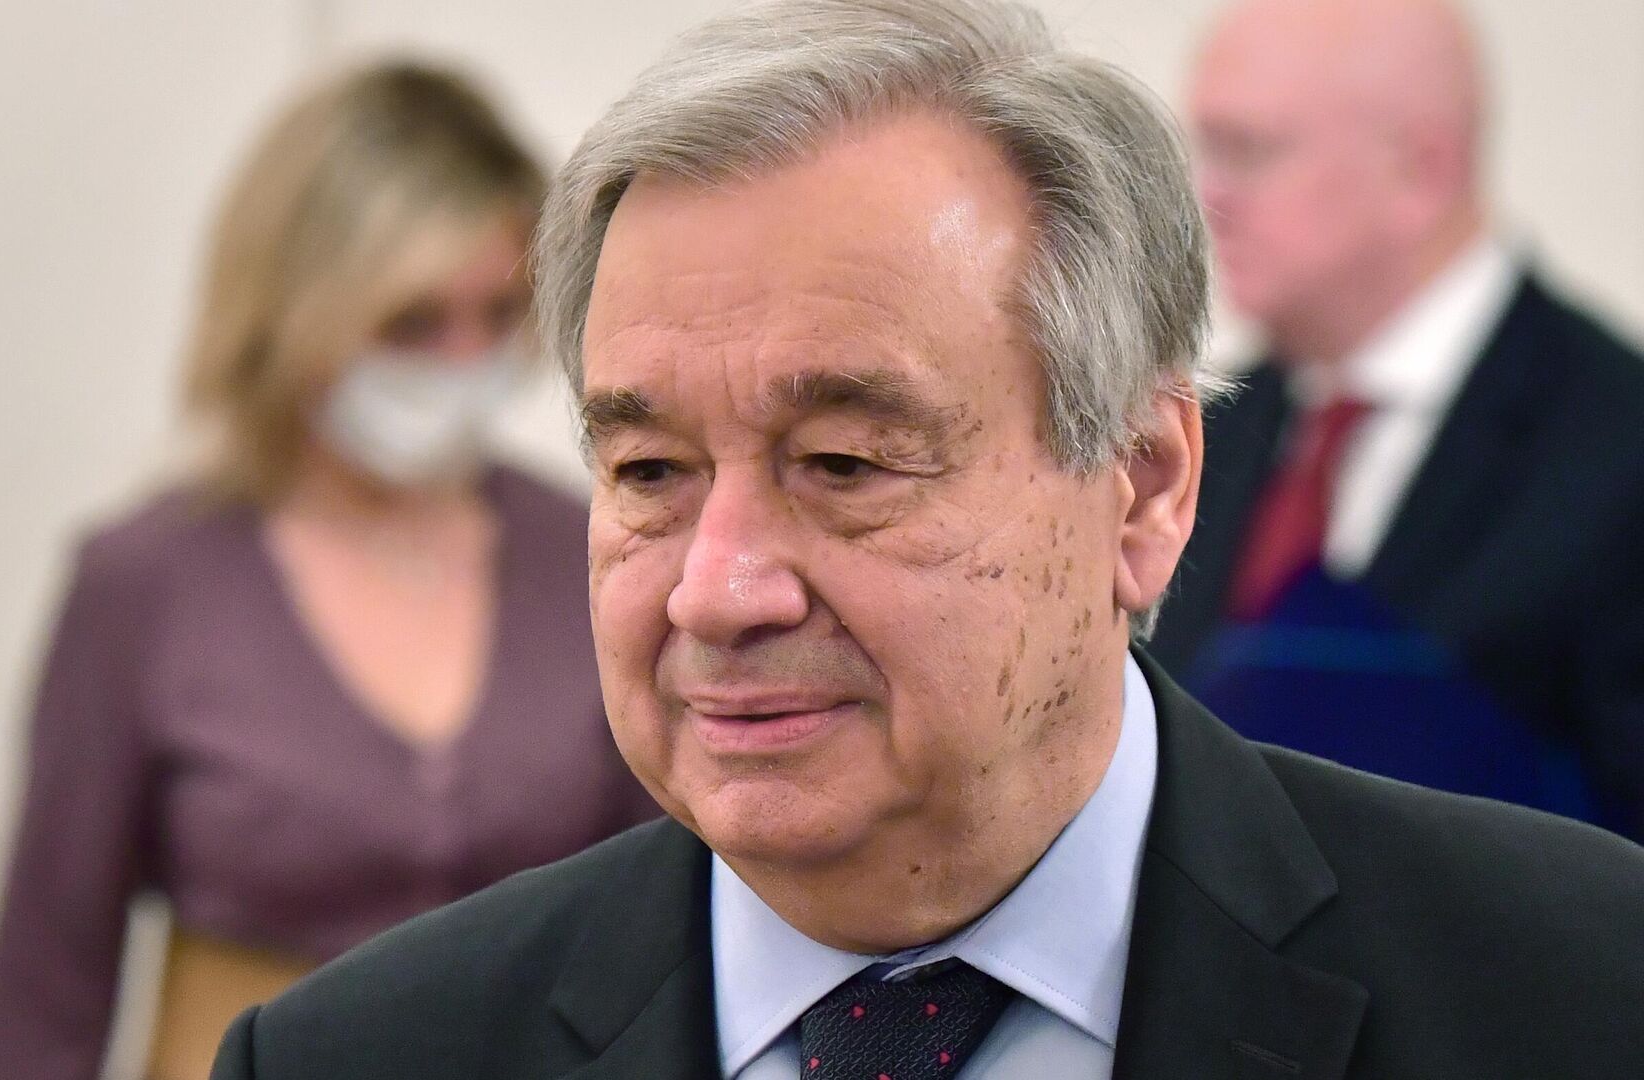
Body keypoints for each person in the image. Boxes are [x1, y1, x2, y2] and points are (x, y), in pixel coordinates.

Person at [210, 2, 1644, 1078]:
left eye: (843, 464)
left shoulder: (1578, 990)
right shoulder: (360, 1056)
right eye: (649, 471)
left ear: (1143, 487)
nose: (717, 589)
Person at [0, 61, 655, 1080]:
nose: (461, 359)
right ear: (295, 312)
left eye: (496, 315)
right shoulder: (144, 586)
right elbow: (44, 994)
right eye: (411, 323)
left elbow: (674, 912)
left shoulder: (590, 547)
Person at [1145, 0, 1644, 837]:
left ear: (1422, 169)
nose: (1208, 196)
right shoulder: (1206, 431)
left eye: (1250, 150)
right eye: (1205, 149)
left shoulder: (1618, 446)